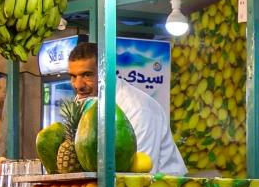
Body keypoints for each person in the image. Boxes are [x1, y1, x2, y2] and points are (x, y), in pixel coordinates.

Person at [67, 39, 186, 175]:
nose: (78, 85)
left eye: (87, 75)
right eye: (73, 76)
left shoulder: (138, 109)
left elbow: (140, 172)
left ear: (107, 71)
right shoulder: (85, 102)